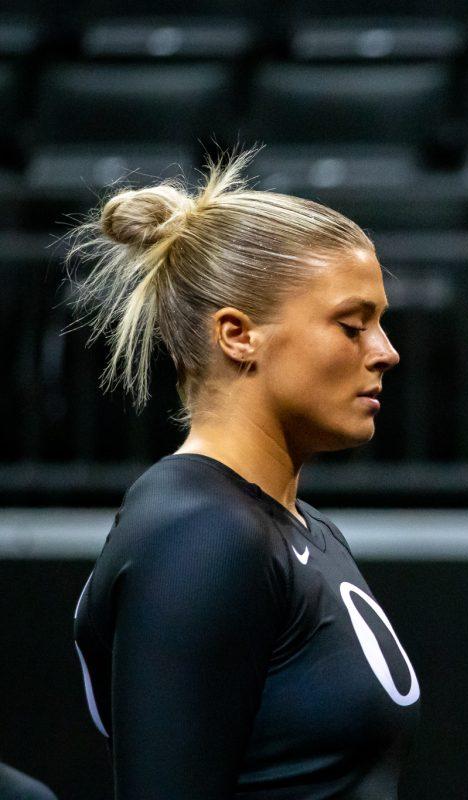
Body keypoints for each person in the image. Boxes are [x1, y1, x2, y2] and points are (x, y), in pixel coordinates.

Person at [66, 146, 420, 798]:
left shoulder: (296, 529)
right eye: (352, 325)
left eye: (381, 324)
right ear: (237, 335)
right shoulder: (202, 533)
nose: (386, 352)